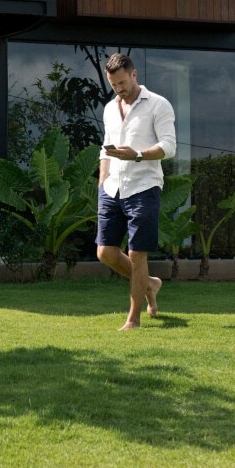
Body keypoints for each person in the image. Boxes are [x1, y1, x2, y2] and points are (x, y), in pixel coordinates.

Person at [95, 53, 176, 330]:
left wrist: (138, 155)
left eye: (122, 83)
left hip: (144, 188)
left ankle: (134, 319)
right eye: (113, 85)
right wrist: (102, 180)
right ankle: (150, 284)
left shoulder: (158, 105)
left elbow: (169, 146)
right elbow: (106, 146)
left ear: (134, 74)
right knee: (105, 252)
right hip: (112, 187)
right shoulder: (109, 109)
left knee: (137, 253)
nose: (119, 89)